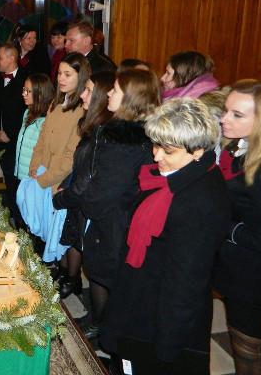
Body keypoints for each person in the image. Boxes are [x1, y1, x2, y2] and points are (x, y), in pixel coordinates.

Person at [100, 98, 231, 375]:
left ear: (197, 151)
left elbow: (186, 283)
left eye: (167, 150)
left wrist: (167, 345)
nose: (157, 156)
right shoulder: (172, 177)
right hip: (141, 293)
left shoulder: (200, 201)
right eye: (155, 145)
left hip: (160, 314)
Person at [80, 69, 160, 339]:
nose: (109, 94)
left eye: (115, 90)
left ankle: (107, 331)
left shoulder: (122, 141)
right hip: (122, 217)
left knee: (106, 274)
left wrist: (85, 202)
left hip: (116, 220)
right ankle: (100, 321)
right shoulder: (135, 133)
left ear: (130, 98)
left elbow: (107, 190)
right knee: (104, 274)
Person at [213, 80, 261, 375]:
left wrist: (222, 224)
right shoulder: (241, 147)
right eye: (226, 110)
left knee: (247, 347)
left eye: (237, 114)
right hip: (238, 265)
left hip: (253, 275)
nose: (224, 119)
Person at [53, 71, 115, 298]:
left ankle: (74, 282)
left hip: (87, 202)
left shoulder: (105, 133)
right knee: (73, 241)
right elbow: (79, 165)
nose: (82, 95)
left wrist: (64, 195)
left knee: (91, 261)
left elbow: (90, 175)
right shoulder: (92, 125)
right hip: (77, 194)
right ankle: (71, 277)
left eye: (88, 91)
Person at [22, 53, 89, 262]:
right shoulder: (55, 104)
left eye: (68, 74)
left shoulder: (82, 110)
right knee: (46, 227)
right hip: (42, 173)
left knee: (60, 233)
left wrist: (45, 178)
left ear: (81, 77)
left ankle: (67, 273)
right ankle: (55, 267)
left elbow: (70, 156)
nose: (61, 78)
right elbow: (41, 140)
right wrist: (34, 166)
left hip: (58, 180)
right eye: (59, 73)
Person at [0, 43, 28, 227]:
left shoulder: (27, 79)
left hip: (20, 144)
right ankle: (11, 220)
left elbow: (30, 114)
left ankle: (23, 225)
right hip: (0, 142)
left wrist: (11, 135)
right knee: (6, 183)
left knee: (19, 187)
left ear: (11, 58)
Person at [14, 73, 55, 181]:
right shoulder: (27, 113)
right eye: (24, 90)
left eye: (28, 91)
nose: (23, 94)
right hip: (22, 174)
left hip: (34, 176)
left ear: (40, 94)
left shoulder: (47, 120)